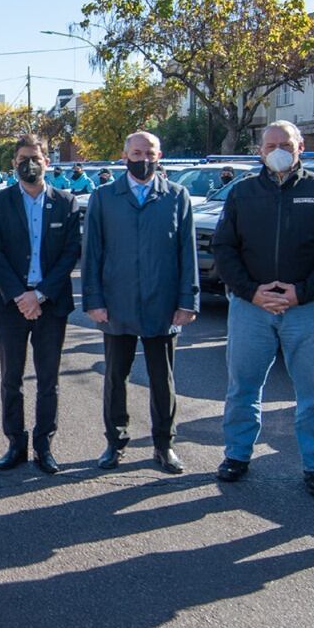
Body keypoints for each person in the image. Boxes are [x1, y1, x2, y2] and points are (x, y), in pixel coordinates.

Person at [211, 122, 314, 497]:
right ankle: (237, 456)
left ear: (300, 147)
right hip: (251, 308)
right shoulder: (242, 193)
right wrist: (251, 292)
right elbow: (224, 250)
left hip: (305, 309)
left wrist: (301, 292)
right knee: (242, 387)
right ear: (259, 150)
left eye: (285, 144)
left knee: (313, 394)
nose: (278, 150)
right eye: (270, 144)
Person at [83, 130, 200, 473]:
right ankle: (115, 442)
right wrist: (93, 299)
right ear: (124, 156)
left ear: (159, 156)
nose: (142, 159)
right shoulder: (104, 197)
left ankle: (164, 445)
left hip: (161, 304)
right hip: (116, 304)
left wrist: (187, 301)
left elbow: (186, 253)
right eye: (136, 153)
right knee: (115, 378)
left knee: (162, 380)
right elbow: (92, 253)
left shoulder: (177, 196)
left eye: (149, 153)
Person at [0, 133, 81, 475]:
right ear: (14, 164)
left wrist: (39, 295)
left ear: (47, 162)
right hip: (9, 303)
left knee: (48, 379)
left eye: (35, 158)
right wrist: (20, 295)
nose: (29, 164)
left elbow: (71, 253)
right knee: (11, 377)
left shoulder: (66, 203)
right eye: (22, 158)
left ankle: (44, 445)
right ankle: (15, 443)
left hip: (50, 304)